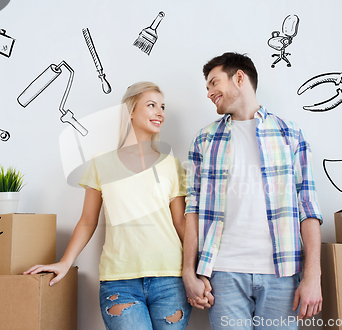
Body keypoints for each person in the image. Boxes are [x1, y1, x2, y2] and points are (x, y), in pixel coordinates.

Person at [25, 82, 192, 330]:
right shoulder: (100, 164)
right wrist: (64, 262)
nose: (160, 113)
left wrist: (199, 269)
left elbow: (180, 222)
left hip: (170, 278)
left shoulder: (171, 164)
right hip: (119, 282)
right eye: (151, 105)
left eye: (163, 107)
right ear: (131, 111)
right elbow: (87, 220)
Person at [182, 53, 323, 329]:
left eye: (214, 83)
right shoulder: (204, 139)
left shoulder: (290, 134)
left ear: (239, 77)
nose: (209, 93)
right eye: (207, 88)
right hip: (222, 274)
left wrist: (313, 276)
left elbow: (309, 208)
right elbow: (193, 209)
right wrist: (189, 270)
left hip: (282, 273)